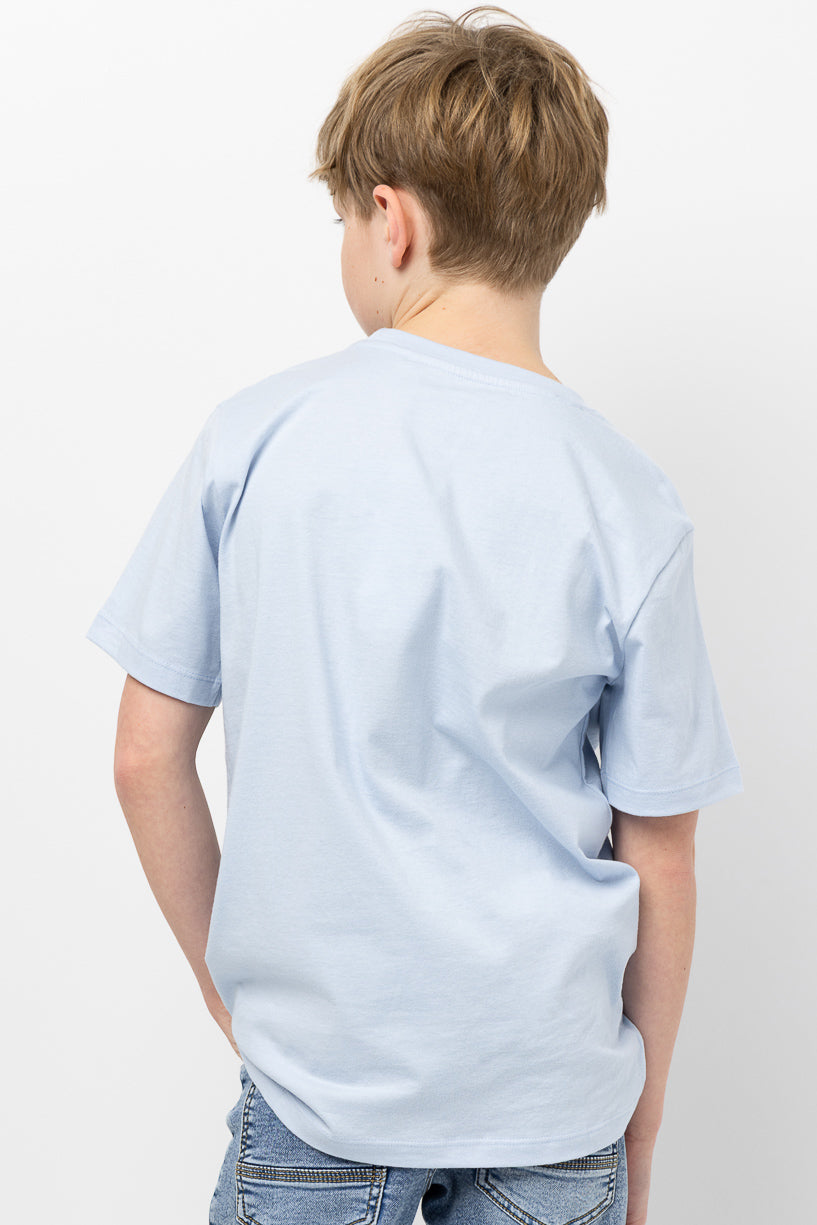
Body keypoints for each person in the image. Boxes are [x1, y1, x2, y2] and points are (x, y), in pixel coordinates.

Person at [85, 8, 743, 1223]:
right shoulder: (626, 496)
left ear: (391, 223)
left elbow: (143, 757)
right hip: (556, 1107)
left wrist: (236, 1003)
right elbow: (660, 846)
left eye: (345, 218)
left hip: (320, 1094)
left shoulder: (255, 440)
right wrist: (640, 1125)